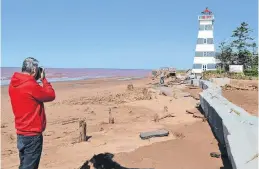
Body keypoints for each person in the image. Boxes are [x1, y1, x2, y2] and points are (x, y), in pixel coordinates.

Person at [8, 57, 56, 169]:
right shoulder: (30, 85)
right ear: (34, 70)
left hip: (21, 132)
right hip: (32, 134)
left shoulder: (13, 84)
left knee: (24, 164)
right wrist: (44, 80)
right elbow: (50, 95)